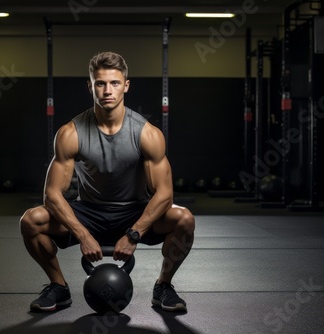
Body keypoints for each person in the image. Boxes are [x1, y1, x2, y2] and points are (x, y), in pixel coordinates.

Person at [20, 51, 195, 313]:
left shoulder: (147, 134)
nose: (107, 90)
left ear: (126, 85)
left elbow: (164, 194)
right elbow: (53, 195)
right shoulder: (70, 133)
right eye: (100, 83)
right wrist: (82, 234)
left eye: (114, 83)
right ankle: (58, 286)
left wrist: (134, 233)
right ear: (90, 86)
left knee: (184, 219)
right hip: (89, 210)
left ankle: (163, 286)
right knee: (31, 220)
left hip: (134, 210)